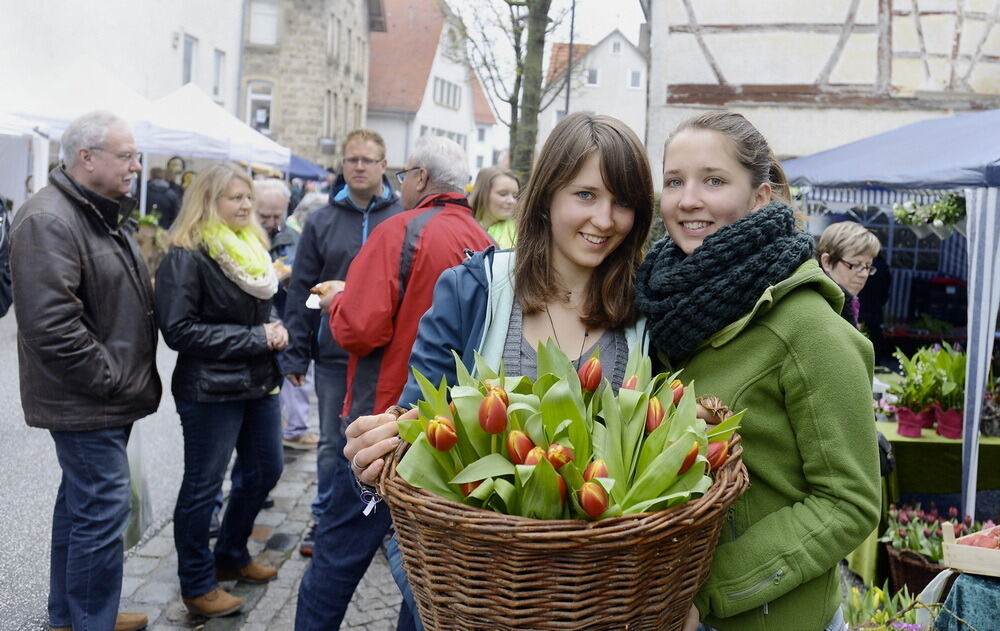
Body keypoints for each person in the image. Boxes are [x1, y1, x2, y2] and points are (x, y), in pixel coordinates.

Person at [330, 112, 654, 630]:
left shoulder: (644, 315)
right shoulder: (473, 290)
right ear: (547, 195)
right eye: (586, 195)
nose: (605, 219)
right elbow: (418, 422)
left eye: (623, 201)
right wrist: (383, 445)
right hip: (467, 588)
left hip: (591, 599)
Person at [634, 111, 880, 631]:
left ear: (760, 198)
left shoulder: (808, 327)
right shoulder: (662, 307)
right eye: (675, 181)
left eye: (714, 181)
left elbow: (850, 502)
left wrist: (709, 592)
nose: (688, 199)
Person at [296, 134, 497, 630]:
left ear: (422, 179)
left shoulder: (398, 230)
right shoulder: (489, 244)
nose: (401, 184)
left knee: (338, 555)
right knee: (426, 576)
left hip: (382, 426)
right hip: (453, 437)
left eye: (405, 175)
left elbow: (361, 328)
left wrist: (336, 301)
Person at [10, 110, 160, 631]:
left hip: (100, 396)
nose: (137, 166)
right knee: (101, 512)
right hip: (88, 398)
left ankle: (70, 615)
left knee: (82, 506)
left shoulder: (97, 210)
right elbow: (51, 328)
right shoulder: (50, 218)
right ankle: (89, 619)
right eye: (127, 156)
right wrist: (111, 380)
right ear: (86, 157)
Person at [155, 163, 287, 618]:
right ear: (208, 202)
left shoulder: (252, 249)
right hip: (209, 389)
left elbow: (256, 317)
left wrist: (272, 329)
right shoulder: (186, 255)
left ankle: (231, 552)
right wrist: (258, 338)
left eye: (247, 196)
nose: (246, 205)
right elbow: (178, 330)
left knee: (266, 469)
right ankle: (196, 583)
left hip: (256, 381)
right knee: (202, 486)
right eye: (235, 197)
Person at [282, 128, 404, 556]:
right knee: (334, 441)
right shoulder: (322, 220)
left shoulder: (401, 215)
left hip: (388, 352)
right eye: (351, 160)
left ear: (383, 165)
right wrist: (297, 350)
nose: (358, 167)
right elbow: (301, 291)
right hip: (334, 352)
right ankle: (326, 517)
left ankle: (386, 521)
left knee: (390, 436)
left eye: (367, 160)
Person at [816, 221, 882, 329]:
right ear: (827, 262)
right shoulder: (818, 308)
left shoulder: (847, 303)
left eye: (868, 266)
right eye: (856, 264)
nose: (864, 274)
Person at [469, 166, 520, 248]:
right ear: (483, 194)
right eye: (503, 194)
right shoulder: (464, 228)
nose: (512, 201)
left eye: (515, 196)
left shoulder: (521, 231)